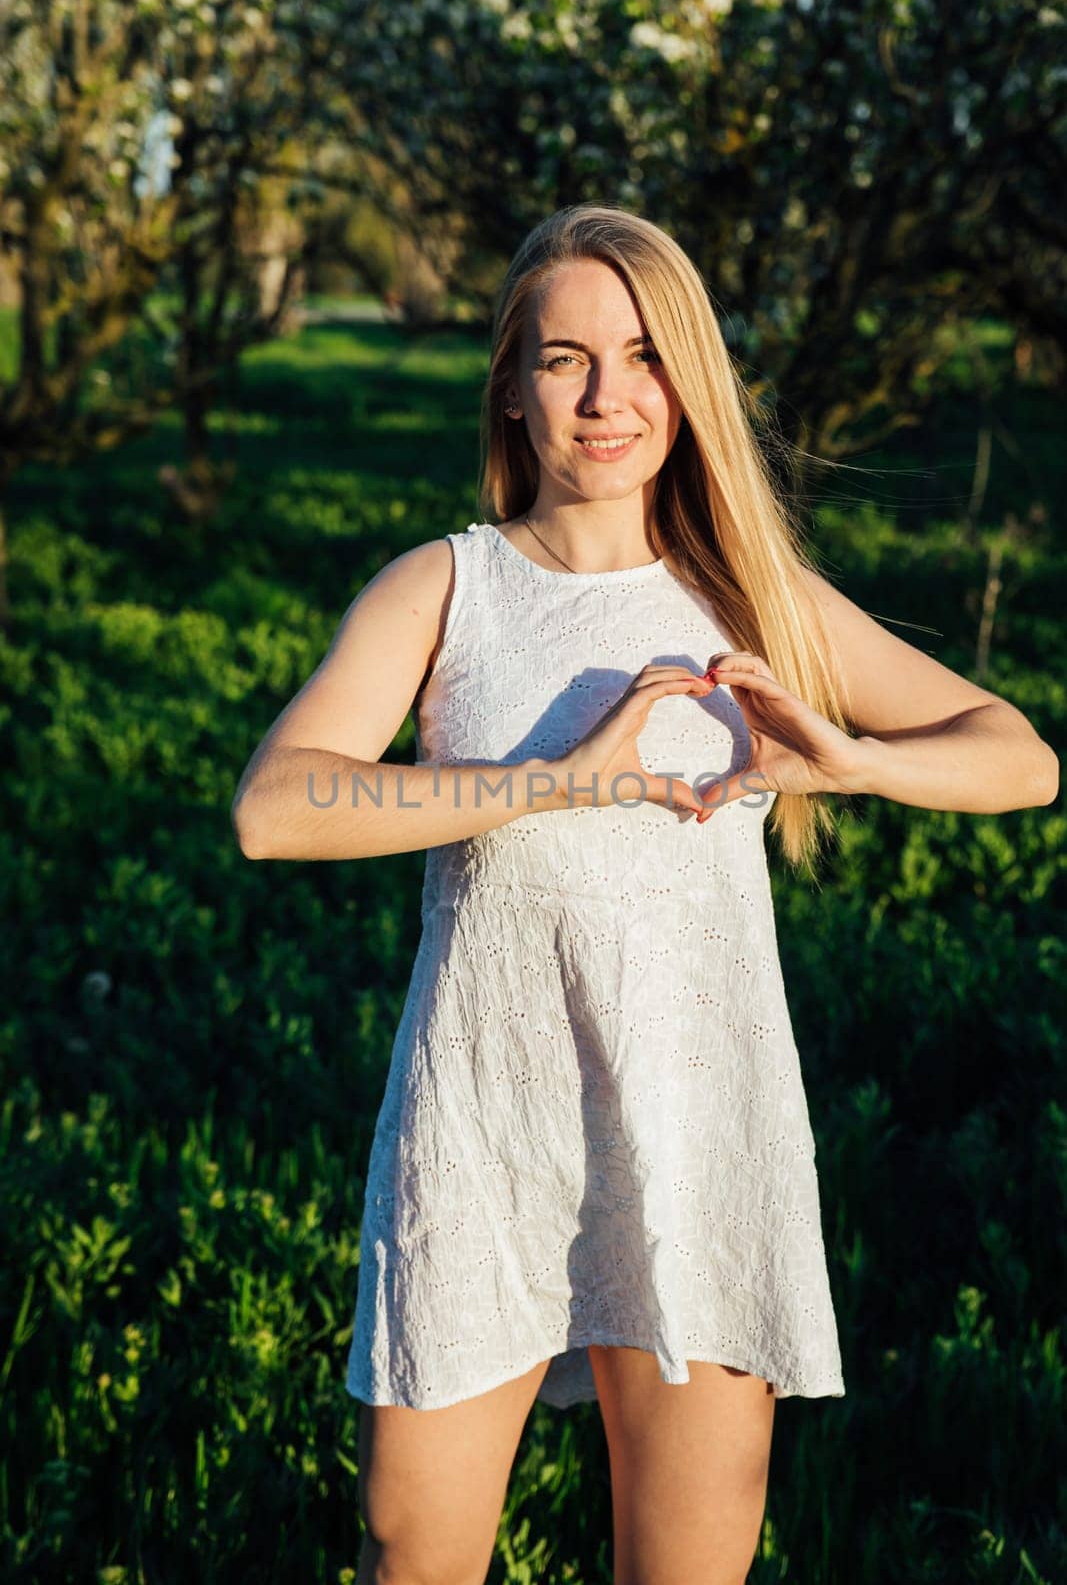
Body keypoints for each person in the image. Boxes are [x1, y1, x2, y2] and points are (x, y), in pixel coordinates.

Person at [230, 204, 1058, 1585]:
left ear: (691, 381)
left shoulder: (750, 598)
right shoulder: (446, 589)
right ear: (512, 382)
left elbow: (1020, 757)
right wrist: (562, 777)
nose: (609, 397)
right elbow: (275, 809)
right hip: (485, 1136)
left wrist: (847, 762)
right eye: (565, 359)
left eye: (644, 355)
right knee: (410, 1557)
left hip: (701, 1133)